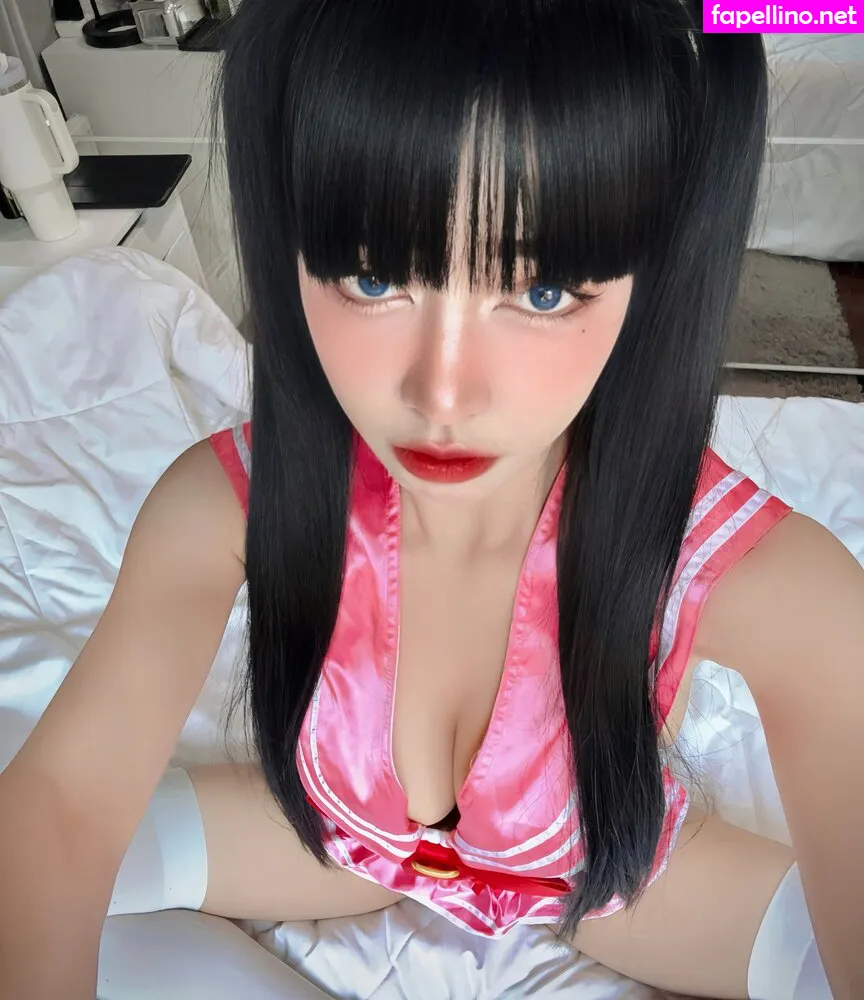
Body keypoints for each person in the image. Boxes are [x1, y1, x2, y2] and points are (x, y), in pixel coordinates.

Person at [1, 0, 862, 997]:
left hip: (613, 893)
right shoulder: (223, 507)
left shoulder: (770, 584)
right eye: (372, 278)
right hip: (336, 851)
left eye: (541, 292)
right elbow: (60, 808)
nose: (442, 393)